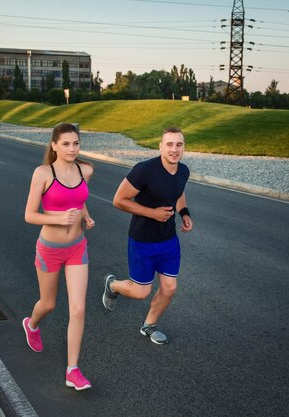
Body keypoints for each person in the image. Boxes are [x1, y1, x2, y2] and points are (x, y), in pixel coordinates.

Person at [102, 126, 193, 345]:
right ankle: (113, 285)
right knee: (141, 292)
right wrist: (152, 213)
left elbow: (178, 191)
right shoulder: (144, 170)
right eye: (169, 144)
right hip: (142, 240)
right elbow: (119, 200)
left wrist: (184, 212)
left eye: (179, 145)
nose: (174, 149)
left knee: (170, 288)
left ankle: (148, 325)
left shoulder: (183, 171)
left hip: (169, 240)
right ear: (160, 146)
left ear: (183, 148)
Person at [22, 122, 95, 391]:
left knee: (78, 308)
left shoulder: (85, 170)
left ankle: (72, 370)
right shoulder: (43, 173)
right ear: (54, 145)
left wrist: (85, 216)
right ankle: (32, 323)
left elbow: (79, 197)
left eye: (76, 143)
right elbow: (29, 215)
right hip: (49, 250)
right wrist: (59, 217)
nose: (72, 148)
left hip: (77, 247)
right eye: (66, 143)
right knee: (49, 304)